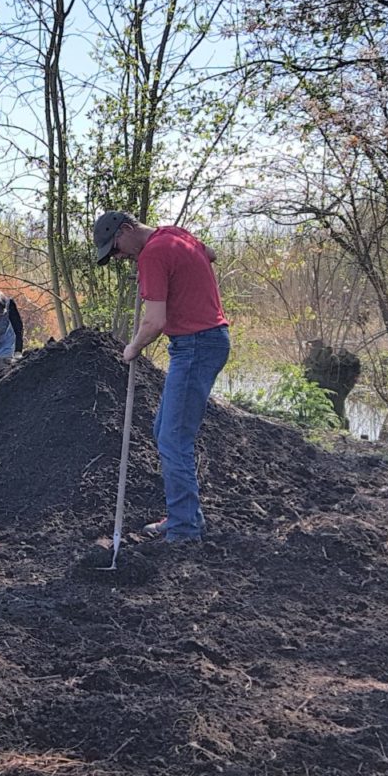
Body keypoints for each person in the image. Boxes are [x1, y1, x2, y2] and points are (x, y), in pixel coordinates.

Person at [93, 211, 228, 543]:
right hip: (204, 341)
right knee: (164, 432)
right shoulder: (175, 235)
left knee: (173, 439)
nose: (119, 256)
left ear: (126, 228)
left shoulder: (152, 253)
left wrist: (132, 347)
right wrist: (175, 273)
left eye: (116, 248)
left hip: (196, 344)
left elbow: (153, 322)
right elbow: (210, 254)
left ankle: (184, 530)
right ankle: (184, 516)